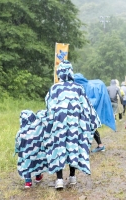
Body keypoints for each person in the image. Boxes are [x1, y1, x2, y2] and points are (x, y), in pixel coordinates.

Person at [44, 60, 101, 189]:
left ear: (59, 72)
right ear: (71, 72)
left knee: (59, 148)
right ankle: (72, 177)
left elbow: (49, 106)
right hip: (74, 126)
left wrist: (48, 122)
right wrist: (93, 120)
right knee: (73, 147)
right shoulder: (78, 88)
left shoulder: (54, 88)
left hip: (59, 125)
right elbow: (86, 106)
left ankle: (59, 180)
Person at [74, 73, 116, 153]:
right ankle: (99, 145)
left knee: (87, 128)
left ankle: (93, 146)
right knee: (90, 127)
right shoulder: (88, 86)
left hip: (84, 112)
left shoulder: (80, 87)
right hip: (88, 111)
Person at [14, 110, 48, 188]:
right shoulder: (38, 128)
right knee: (37, 162)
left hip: (25, 153)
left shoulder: (21, 131)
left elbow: (17, 141)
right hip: (37, 151)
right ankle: (38, 177)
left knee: (26, 165)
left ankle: (28, 182)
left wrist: (17, 149)